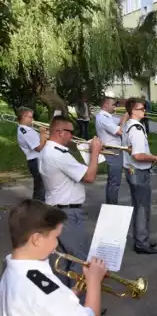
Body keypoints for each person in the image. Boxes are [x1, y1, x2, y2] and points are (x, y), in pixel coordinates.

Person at [39, 116, 102, 286]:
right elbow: (89, 177)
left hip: (56, 210)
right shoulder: (59, 154)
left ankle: (66, 301)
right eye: (70, 132)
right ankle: (81, 305)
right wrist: (95, 152)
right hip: (68, 213)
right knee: (78, 259)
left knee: (63, 260)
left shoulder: (47, 151)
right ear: (60, 132)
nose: (72, 136)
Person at [123, 97, 157, 255]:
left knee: (139, 206)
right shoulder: (136, 129)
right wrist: (156, 158)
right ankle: (141, 243)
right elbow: (138, 155)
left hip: (132, 171)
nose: (144, 111)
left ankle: (142, 239)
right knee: (142, 208)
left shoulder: (129, 125)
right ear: (133, 111)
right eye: (141, 109)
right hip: (138, 172)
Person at [95, 91, 128, 204]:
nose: (115, 107)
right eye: (113, 105)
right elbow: (119, 131)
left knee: (113, 181)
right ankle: (112, 206)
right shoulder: (102, 117)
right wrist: (124, 120)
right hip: (112, 150)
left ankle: (111, 205)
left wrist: (126, 115)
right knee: (114, 182)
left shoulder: (107, 116)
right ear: (106, 105)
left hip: (114, 149)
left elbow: (118, 120)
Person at [15, 107, 47, 202]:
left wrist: (45, 135)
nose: (32, 119)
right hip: (35, 161)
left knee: (42, 188)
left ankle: (38, 209)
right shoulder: (23, 131)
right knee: (40, 190)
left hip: (39, 160)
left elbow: (42, 141)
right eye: (30, 117)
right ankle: (36, 211)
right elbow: (38, 148)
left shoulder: (29, 129)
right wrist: (42, 134)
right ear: (24, 117)